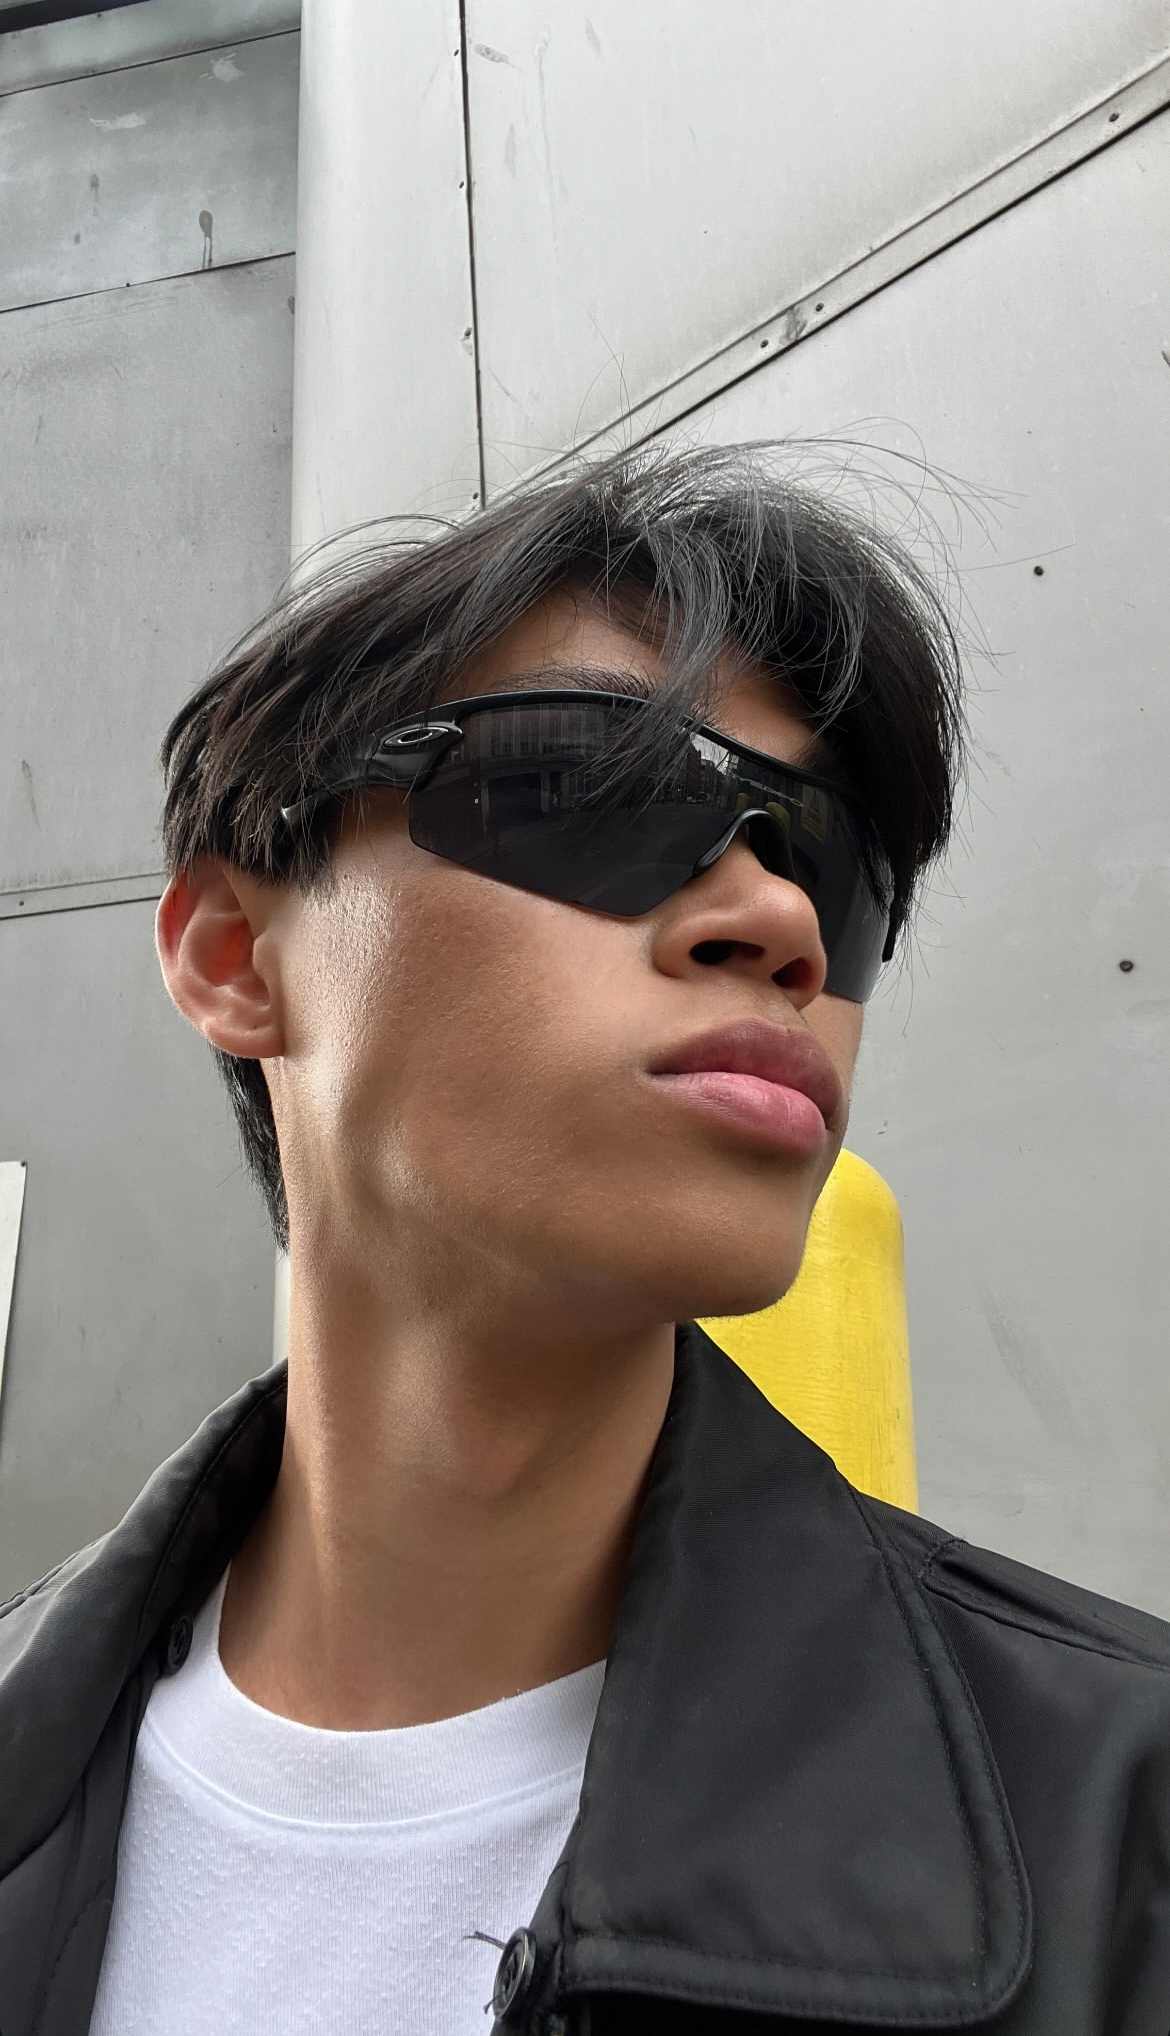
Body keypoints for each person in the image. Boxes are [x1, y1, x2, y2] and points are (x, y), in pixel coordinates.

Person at [2, 445, 1168, 2036]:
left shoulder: (1120, 1833)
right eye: (599, 788)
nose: (780, 924)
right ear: (232, 954)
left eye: (831, 863)